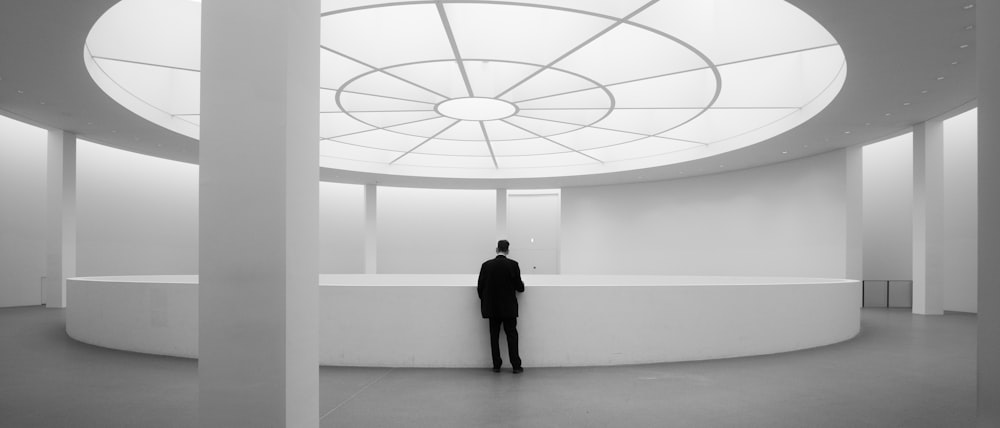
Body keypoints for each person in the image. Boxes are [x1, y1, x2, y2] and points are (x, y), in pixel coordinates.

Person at [477, 239, 525, 373]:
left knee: (494, 336)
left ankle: (496, 365)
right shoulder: (513, 265)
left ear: (496, 249)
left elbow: (480, 287)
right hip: (509, 308)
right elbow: (519, 287)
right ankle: (515, 365)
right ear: (507, 251)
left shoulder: (486, 265)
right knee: (512, 336)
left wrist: (486, 301)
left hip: (492, 308)